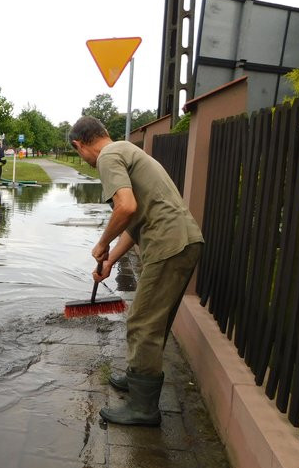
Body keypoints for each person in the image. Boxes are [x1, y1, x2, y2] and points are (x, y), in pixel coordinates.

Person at [69, 115, 204, 427]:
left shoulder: (108, 156)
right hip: (182, 242)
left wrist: (101, 243)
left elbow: (125, 208)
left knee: (142, 323)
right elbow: (135, 221)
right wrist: (111, 259)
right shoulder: (127, 151)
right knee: (152, 321)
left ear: (80, 144)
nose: (85, 160)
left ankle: (143, 409)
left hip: (169, 244)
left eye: (79, 154)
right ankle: (136, 378)